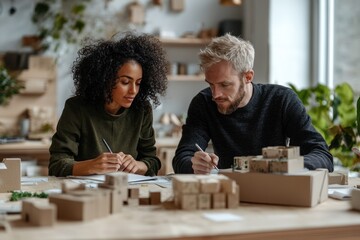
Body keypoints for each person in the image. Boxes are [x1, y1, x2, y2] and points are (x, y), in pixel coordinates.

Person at [172, 33, 333, 174]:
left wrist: (285, 166)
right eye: (211, 84)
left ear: (248, 77)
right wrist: (194, 165)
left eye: (225, 85)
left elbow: (322, 155)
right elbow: (182, 157)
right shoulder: (203, 103)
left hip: (274, 193)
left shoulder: (282, 100)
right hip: (230, 191)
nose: (215, 94)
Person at [49, 32, 168, 177]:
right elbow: (57, 165)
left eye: (138, 83)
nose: (133, 91)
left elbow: (152, 162)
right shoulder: (77, 108)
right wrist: (92, 166)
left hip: (127, 190)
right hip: (85, 192)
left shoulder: (142, 110)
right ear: (105, 79)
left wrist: (138, 166)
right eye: (125, 82)